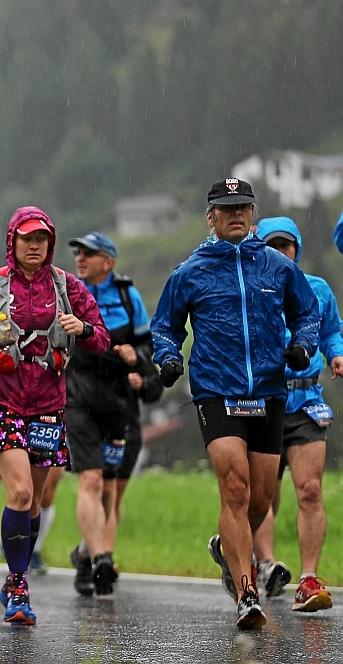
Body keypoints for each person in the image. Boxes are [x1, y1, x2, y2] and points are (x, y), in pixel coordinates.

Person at [151, 178, 319, 630]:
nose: (237, 215)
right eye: (227, 209)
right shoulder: (191, 271)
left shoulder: (275, 266)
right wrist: (168, 358)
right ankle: (247, 594)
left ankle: (227, 546)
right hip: (217, 390)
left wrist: (302, 344)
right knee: (237, 489)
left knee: (261, 498)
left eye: (244, 207)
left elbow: (307, 312)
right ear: (211, 217)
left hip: (269, 389)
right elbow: (165, 325)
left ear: (253, 212)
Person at [0, 206, 109, 626]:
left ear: (50, 243)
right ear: (13, 242)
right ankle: (18, 585)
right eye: (27, 239)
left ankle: (15, 579)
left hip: (47, 405)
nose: (35, 246)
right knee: (19, 492)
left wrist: (83, 329)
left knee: (35, 501)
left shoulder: (67, 286)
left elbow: (101, 338)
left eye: (41, 239)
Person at [64, 232, 161, 596]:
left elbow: (145, 341)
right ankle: (102, 558)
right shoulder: (70, 293)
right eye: (78, 252)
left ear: (109, 261)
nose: (80, 258)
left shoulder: (126, 294)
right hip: (79, 398)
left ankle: (85, 555)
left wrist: (137, 358)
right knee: (91, 480)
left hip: (119, 402)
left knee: (112, 490)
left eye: (89, 253)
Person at [253, 218, 342, 612]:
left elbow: (333, 331)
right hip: (264, 402)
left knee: (310, 490)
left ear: (297, 249)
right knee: (262, 496)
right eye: (273, 245)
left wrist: (336, 352)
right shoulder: (252, 290)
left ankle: (307, 578)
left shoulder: (318, 289)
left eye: (287, 246)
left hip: (306, 402)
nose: (281, 252)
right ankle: (266, 566)